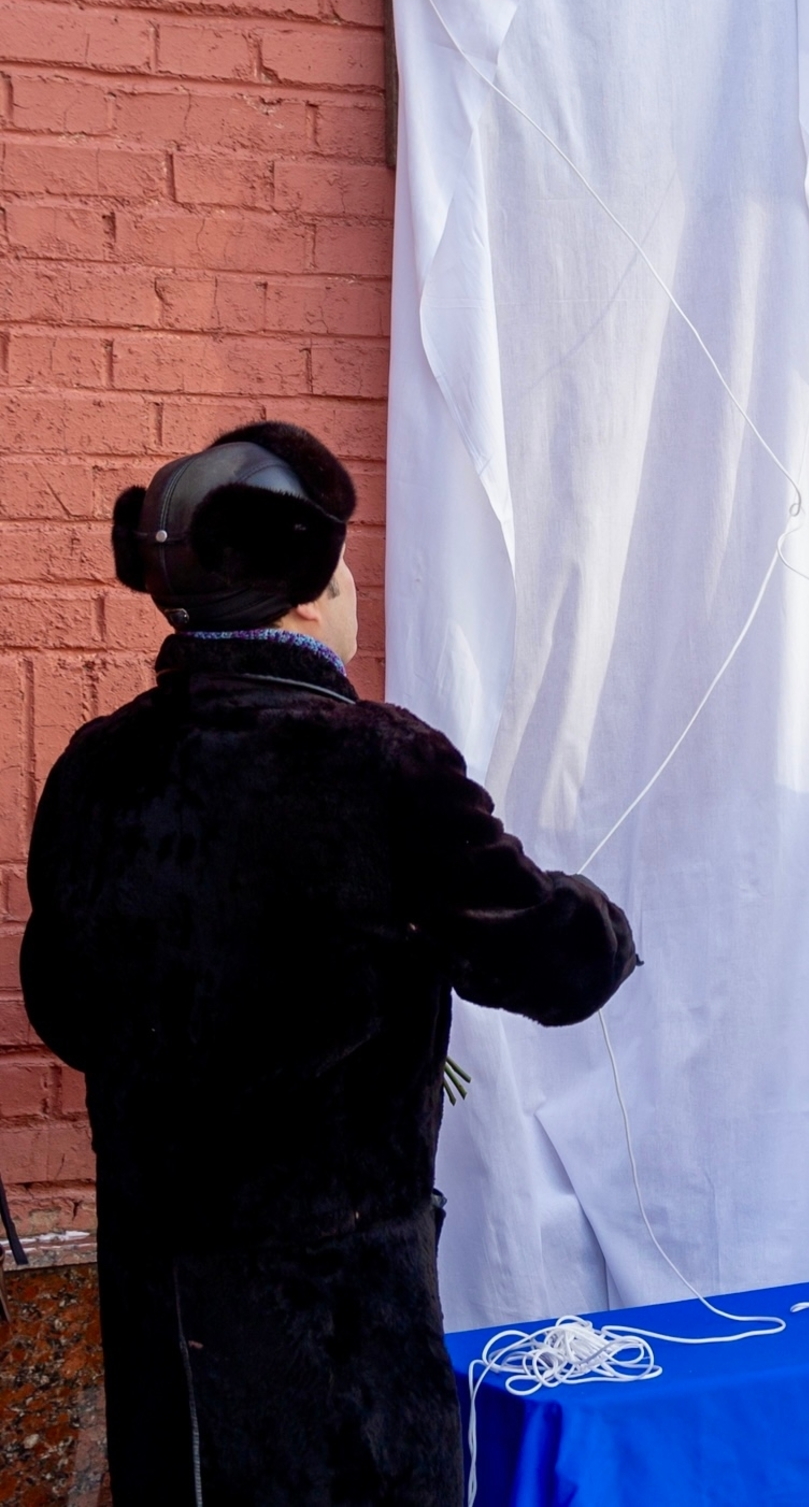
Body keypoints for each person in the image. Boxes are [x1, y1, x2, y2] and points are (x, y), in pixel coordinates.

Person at [21, 422, 638, 1507]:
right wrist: (601, 917)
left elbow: (63, 1002)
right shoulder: (378, 761)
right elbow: (550, 964)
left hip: (162, 1314)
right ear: (307, 582)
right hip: (335, 1327)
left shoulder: (94, 765)